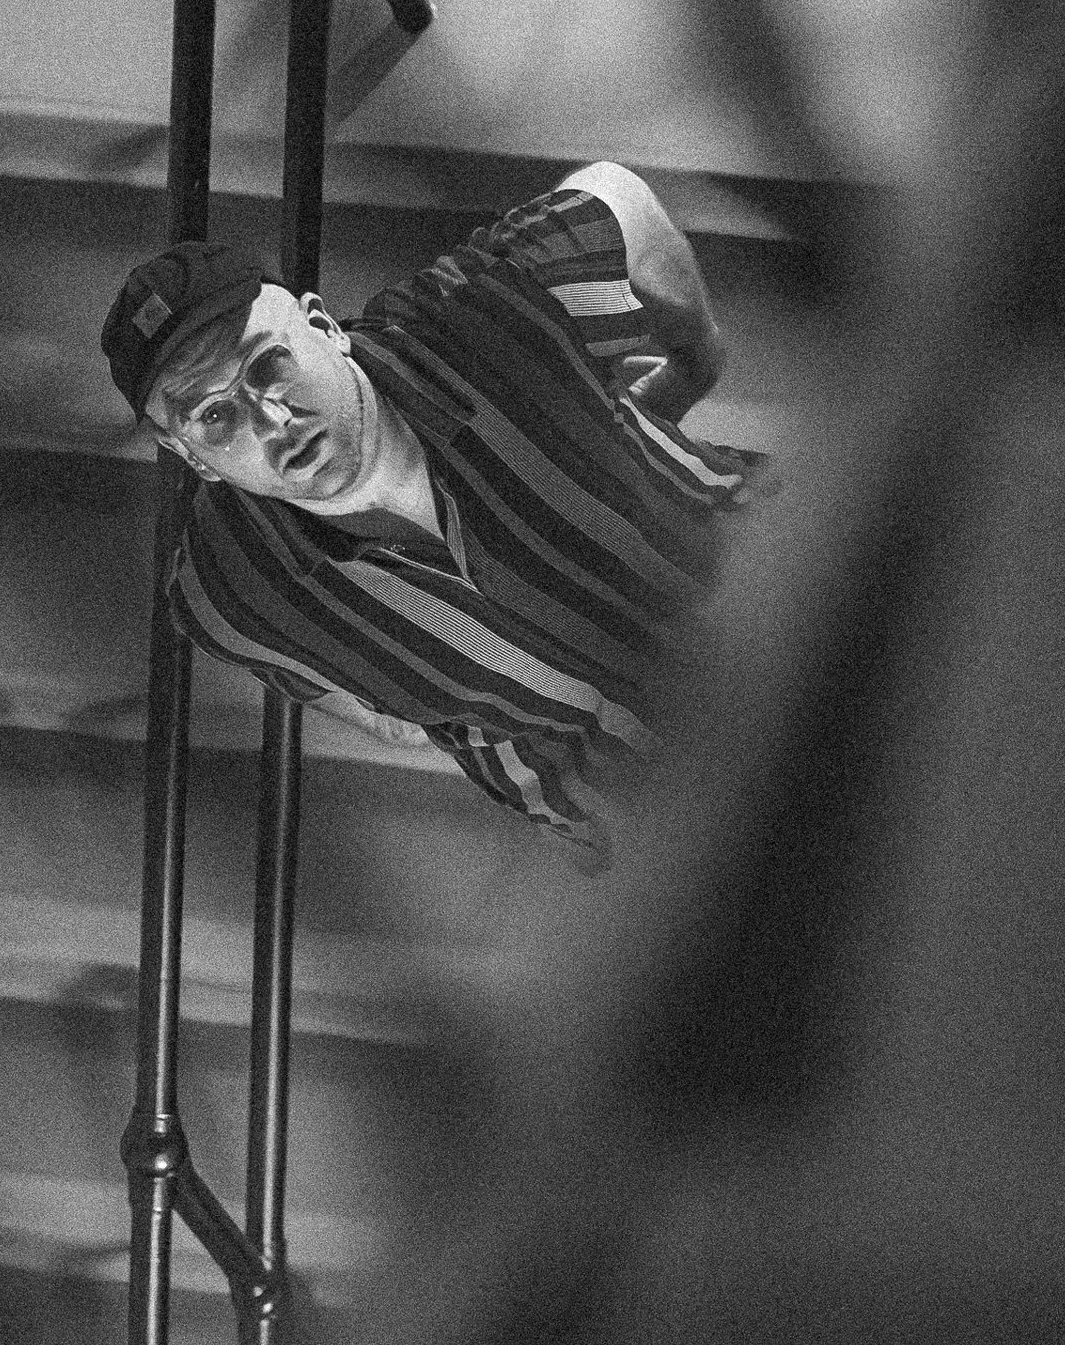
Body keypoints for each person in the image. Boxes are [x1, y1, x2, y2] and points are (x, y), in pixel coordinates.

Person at [99, 161, 766, 852]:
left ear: (323, 326)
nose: (271, 418)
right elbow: (376, 709)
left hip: (796, 611)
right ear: (190, 456)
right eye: (214, 415)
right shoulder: (228, 590)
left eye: (267, 362)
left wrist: (697, 358)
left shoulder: (482, 309)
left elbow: (616, 195)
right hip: (666, 828)